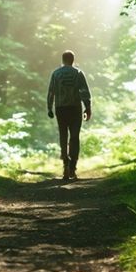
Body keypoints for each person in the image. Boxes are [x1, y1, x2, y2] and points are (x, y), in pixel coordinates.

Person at [46, 50, 92, 181]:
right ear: (73, 60)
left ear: (62, 60)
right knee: (74, 137)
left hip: (61, 108)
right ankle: (73, 167)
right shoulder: (78, 73)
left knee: (63, 135)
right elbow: (84, 91)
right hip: (75, 108)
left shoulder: (56, 74)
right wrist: (87, 107)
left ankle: (65, 162)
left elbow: (51, 92)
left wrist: (49, 108)